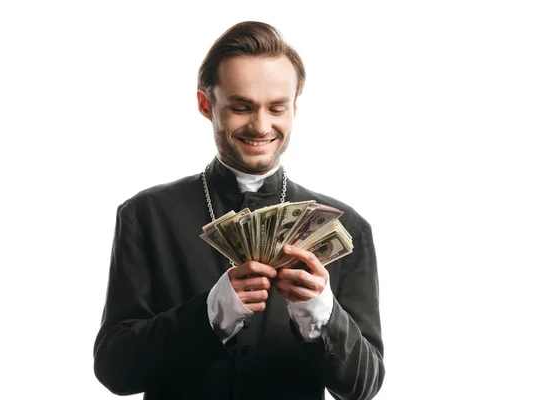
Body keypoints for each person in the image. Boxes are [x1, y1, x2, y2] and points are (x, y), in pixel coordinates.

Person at [93, 21, 384, 400]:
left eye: (276, 107)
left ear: (295, 107)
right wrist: (212, 313)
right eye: (241, 107)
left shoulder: (348, 226)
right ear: (206, 105)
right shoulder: (145, 215)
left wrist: (322, 312)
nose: (261, 125)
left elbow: (363, 386)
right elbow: (115, 370)